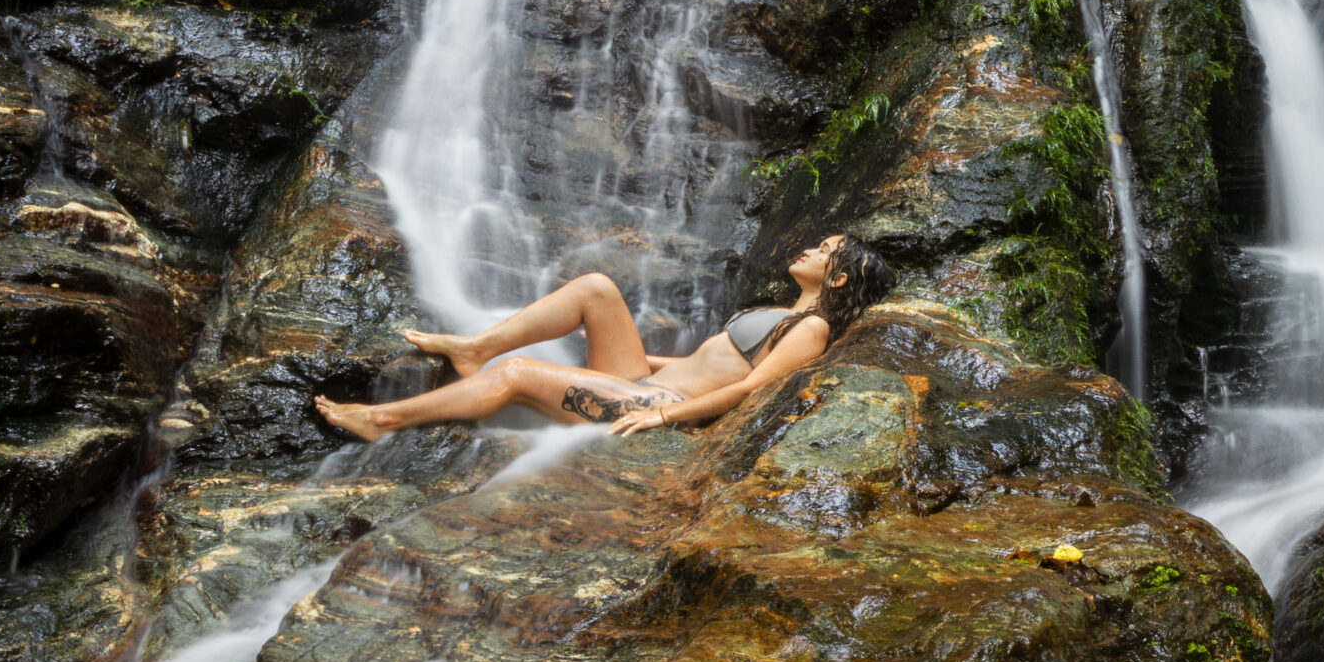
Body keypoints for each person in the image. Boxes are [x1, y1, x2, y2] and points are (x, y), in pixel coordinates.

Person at [313, 234, 895, 442]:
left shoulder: (813, 328)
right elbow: (708, 361)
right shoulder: (785, 314)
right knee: (596, 288)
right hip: (647, 380)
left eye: (824, 252)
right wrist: (637, 358)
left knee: (519, 377)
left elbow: (752, 390)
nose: (811, 249)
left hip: (659, 405)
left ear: (838, 278)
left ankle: (382, 420)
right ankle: (476, 348)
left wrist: (666, 419)